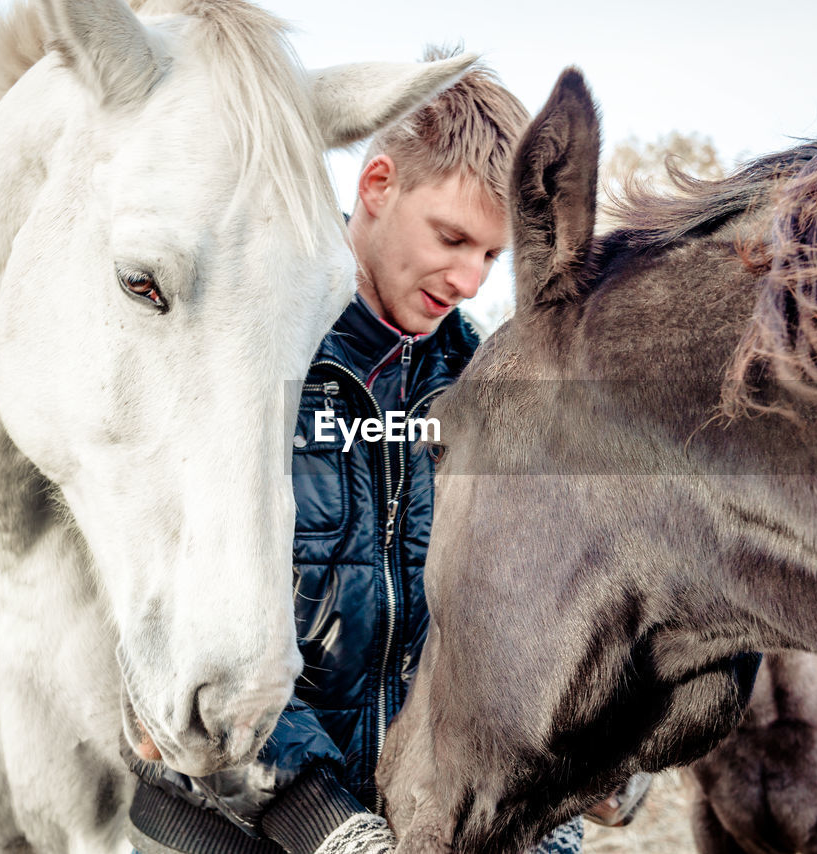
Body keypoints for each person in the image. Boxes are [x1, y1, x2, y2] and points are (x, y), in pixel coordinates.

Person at [126, 50, 573, 854]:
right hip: (223, 831)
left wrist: (545, 799)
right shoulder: (231, 350)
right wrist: (324, 824)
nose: (470, 279)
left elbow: (506, 625)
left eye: (492, 257)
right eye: (453, 237)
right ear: (376, 186)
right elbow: (170, 615)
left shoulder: (479, 398)